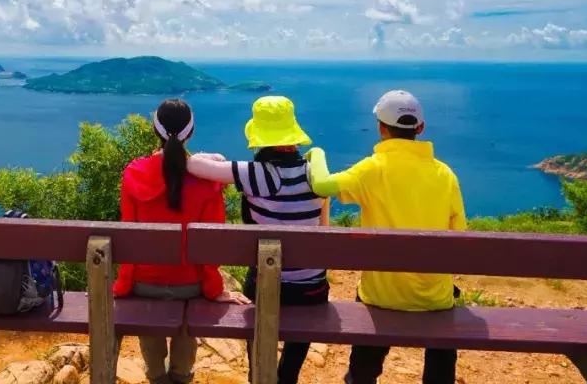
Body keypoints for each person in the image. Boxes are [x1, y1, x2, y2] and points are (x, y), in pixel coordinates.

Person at [305, 90, 466, 384]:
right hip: (433, 297)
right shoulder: (445, 175)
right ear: (420, 129)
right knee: (446, 309)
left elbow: (323, 186)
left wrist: (317, 154)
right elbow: (460, 240)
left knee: (369, 317)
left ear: (381, 128)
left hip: (382, 296)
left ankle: (361, 377)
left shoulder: (372, 170)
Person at [187, 95, 330, 384]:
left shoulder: (257, 174)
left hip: (269, 286)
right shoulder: (316, 174)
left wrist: (210, 157)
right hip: (312, 290)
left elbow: (191, 166)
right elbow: (324, 230)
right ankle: (287, 376)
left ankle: (259, 375)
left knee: (262, 275)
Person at [114, 98, 249, 384]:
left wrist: (124, 285)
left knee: (147, 311)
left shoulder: (134, 174)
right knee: (189, 310)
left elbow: (129, 236)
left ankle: (156, 376)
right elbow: (211, 245)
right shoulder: (208, 182)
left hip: (144, 283)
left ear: (155, 130)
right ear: (190, 132)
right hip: (190, 285)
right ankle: (182, 375)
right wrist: (214, 290)